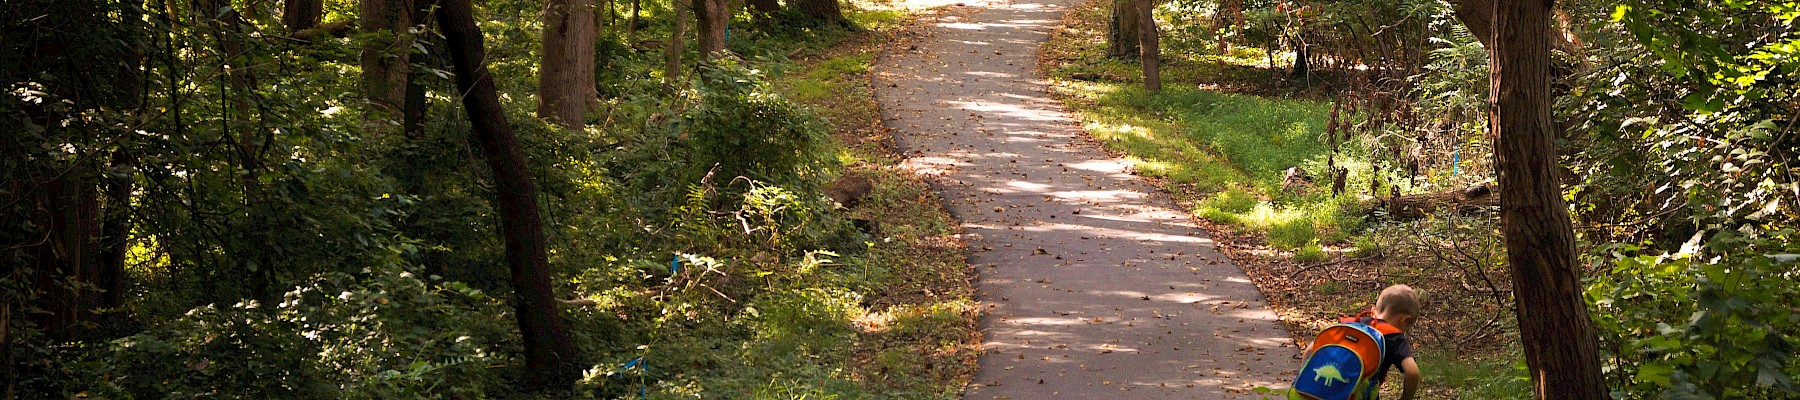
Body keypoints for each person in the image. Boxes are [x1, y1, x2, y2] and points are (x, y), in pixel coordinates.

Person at [1368, 284, 1422, 400]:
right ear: (1404, 320)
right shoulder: (1393, 337)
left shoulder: (1356, 324)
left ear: (1374, 310)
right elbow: (1412, 372)